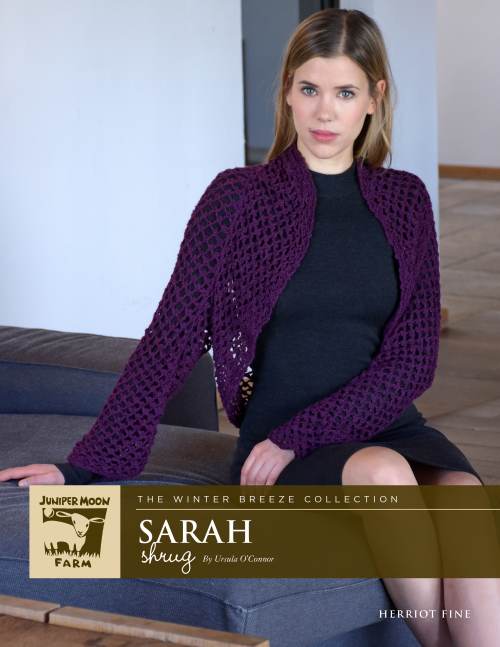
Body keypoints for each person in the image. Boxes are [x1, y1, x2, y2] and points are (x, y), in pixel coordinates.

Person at [0, 7, 498, 646]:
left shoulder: (405, 199)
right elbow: (172, 339)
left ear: (375, 97)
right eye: (309, 88)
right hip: (281, 447)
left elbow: (413, 360)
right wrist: (81, 471)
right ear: (288, 91)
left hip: (385, 425)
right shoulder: (238, 199)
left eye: (345, 93)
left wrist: (303, 433)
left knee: (462, 497)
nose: (324, 112)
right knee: (383, 475)